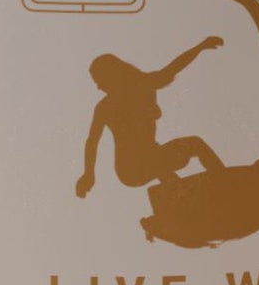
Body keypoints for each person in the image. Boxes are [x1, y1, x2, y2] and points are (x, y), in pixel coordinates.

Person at [75, 36, 225, 200]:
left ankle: (219, 182)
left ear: (113, 76)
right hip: (131, 168)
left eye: (100, 81)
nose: (98, 87)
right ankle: (218, 183)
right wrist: (88, 173)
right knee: (172, 155)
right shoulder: (107, 106)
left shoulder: (143, 84)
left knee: (190, 147)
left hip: (149, 159)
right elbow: (92, 141)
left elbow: (173, 68)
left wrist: (200, 47)